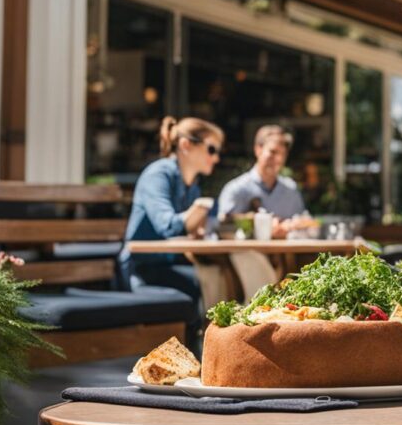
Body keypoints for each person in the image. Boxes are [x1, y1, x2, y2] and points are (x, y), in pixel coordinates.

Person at [118, 116, 224, 348]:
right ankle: (199, 359)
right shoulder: (158, 174)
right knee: (204, 288)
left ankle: (210, 355)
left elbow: (187, 232)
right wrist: (194, 215)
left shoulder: (192, 185)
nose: (216, 157)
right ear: (186, 145)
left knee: (218, 282)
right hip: (142, 269)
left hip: (168, 265)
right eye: (211, 149)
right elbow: (166, 224)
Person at [217, 125, 306, 238]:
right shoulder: (236, 189)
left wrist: (292, 225)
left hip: (286, 253)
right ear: (258, 149)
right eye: (273, 152)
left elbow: (306, 222)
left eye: (283, 154)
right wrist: (257, 224)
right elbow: (223, 229)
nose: (278, 159)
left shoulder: (291, 190)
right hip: (246, 254)